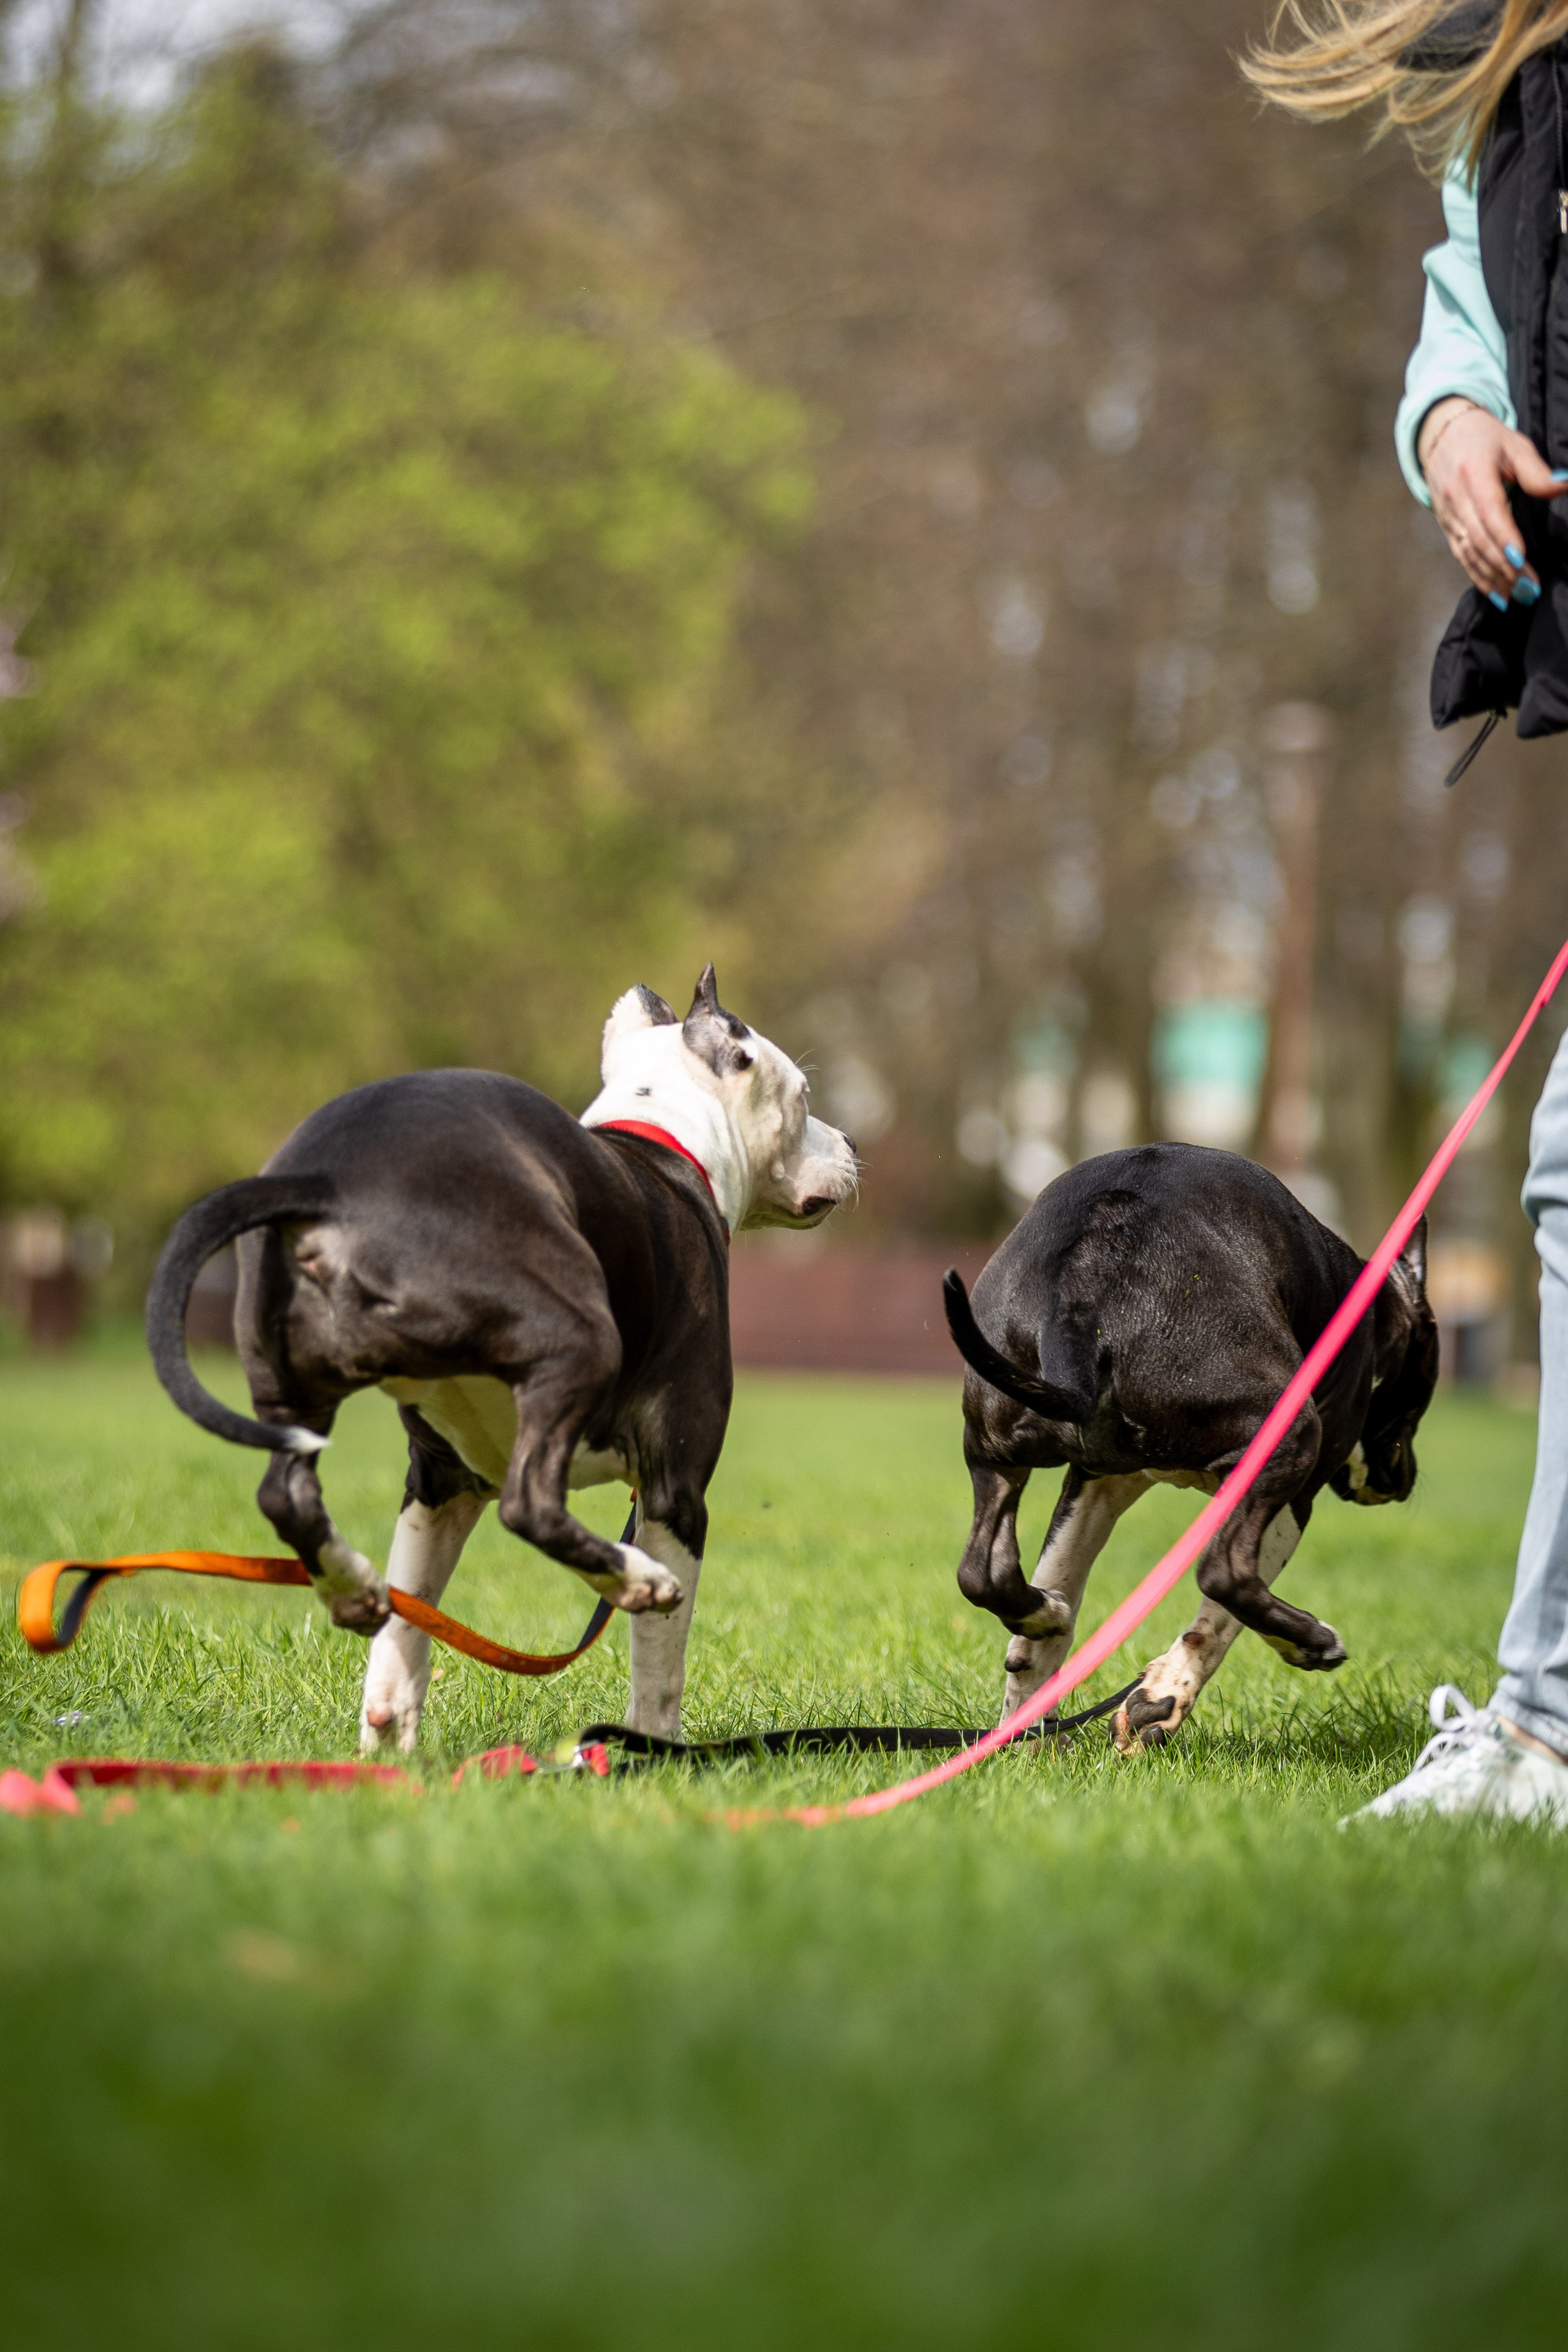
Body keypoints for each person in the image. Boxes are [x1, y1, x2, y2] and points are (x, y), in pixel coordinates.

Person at [1246, 0, 1568, 1822]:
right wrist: (1449, 416)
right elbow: (1474, 287)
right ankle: (1546, 1723)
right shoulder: (1510, 83)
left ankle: (1549, 1730)